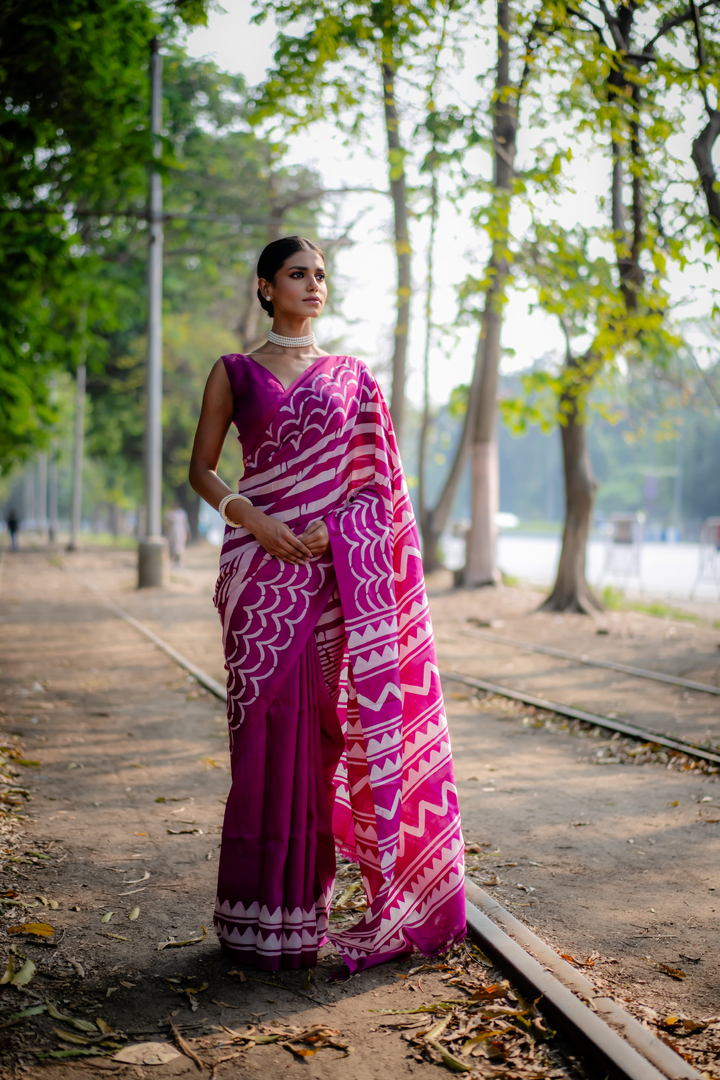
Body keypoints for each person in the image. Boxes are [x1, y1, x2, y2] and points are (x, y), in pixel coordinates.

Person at [189, 236, 465, 974]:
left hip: (329, 576)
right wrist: (255, 521)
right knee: (260, 740)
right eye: (298, 274)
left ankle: (302, 919)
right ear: (265, 287)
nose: (314, 285)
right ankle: (252, 920)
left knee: (318, 737)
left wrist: (330, 530)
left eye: (321, 276)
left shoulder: (352, 378)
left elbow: (380, 491)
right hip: (256, 578)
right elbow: (201, 469)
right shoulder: (234, 371)